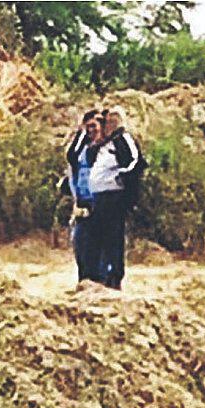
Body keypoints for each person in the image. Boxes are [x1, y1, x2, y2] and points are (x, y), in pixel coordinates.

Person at [86, 106, 142, 290]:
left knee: (114, 236)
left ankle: (115, 275)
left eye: (108, 121)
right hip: (100, 196)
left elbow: (136, 161)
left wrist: (121, 176)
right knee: (100, 237)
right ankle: (102, 275)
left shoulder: (123, 139)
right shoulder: (103, 144)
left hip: (114, 196)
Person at [64, 109, 102, 284]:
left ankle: (102, 285)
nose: (91, 131)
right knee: (81, 246)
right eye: (88, 127)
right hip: (82, 203)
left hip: (102, 203)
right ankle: (84, 283)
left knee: (100, 249)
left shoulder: (107, 149)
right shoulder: (81, 150)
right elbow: (71, 157)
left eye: (94, 126)